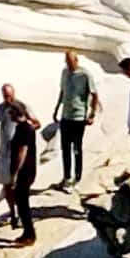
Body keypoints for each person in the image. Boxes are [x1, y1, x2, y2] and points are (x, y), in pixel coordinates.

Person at [52, 49, 100, 189]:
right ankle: (67, 177)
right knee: (65, 148)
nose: (69, 64)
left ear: (76, 60)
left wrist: (92, 114)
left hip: (79, 117)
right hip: (65, 116)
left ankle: (77, 178)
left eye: (71, 61)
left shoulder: (85, 74)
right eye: (67, 62)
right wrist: (56, 109)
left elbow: (94, 94)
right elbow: (62, 91)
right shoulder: (65, 72)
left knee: (77, 148)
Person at [0, 83, 29, 224]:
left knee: (18, 185)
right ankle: (13, 213)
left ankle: (20, 214)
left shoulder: (21, 107)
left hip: (18, 153)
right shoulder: (0, 108)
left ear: (14, 94)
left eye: (9, 96)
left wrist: (24, 127)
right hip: (3, 153)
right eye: (5, 96)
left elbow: (35, 123)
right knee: (7, 185)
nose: (8, 99)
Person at [7, 113, 41, 247]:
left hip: (24, 172)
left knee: (22, 204)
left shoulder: (24, 129)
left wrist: (15, 174)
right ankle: (27, 233)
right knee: (21, 202)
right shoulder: (26, 127)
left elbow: (22, 152)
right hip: (28, 170)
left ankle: (30, 235)